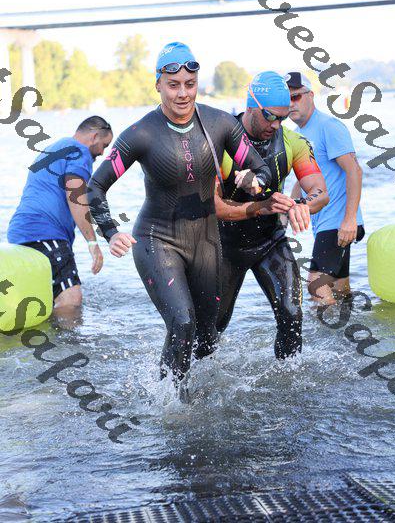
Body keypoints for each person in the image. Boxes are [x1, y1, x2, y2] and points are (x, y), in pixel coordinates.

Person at [88, 42, 272, 387]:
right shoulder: (140, 134)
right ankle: (168, 402)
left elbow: (262, 170)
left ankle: (191, 396)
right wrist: (110, 231)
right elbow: (95, 187)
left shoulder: (220, 123)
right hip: (157, 239)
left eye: (190, 84)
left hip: (205, 241)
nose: (183, 93)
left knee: (207, 337)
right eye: (173, 85)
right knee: (182, 324)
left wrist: (254, 181)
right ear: (158, 84)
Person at [215, 71, 328, 358]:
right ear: (251, 105)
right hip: (223, 247)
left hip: (270, 242)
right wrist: (260, 207)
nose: (276, 125)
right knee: (213, 326)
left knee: (292, 314)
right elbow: (214, 207)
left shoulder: (293, 142)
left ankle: (290, 379)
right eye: (270, 117)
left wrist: (302, 204)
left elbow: (320, 191)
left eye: (283, 118)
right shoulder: (220, 143)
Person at [8, 116, 113, 320]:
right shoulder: (79, 151)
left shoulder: (55, 148)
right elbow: (75, 195)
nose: (102, 153)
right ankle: (64, 341)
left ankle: (46, 336)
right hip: (43, 232)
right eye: (104, 145)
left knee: (47, 298)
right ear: (94, 137)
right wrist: (92, 243)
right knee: (71, 298)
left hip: (22, 233)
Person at [286, 72, 364, 305]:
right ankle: (352, 324)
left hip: (339, 222)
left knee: (316, 286)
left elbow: (354, 171)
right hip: (325, 224)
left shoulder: (329, 126)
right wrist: (288, 212)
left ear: (311, 95)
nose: (291, 104)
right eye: (286, 99)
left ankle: (325, 330)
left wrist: (349, 220)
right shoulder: (297, 135)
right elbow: (303, 180)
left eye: (296, 97)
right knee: (339, 288)